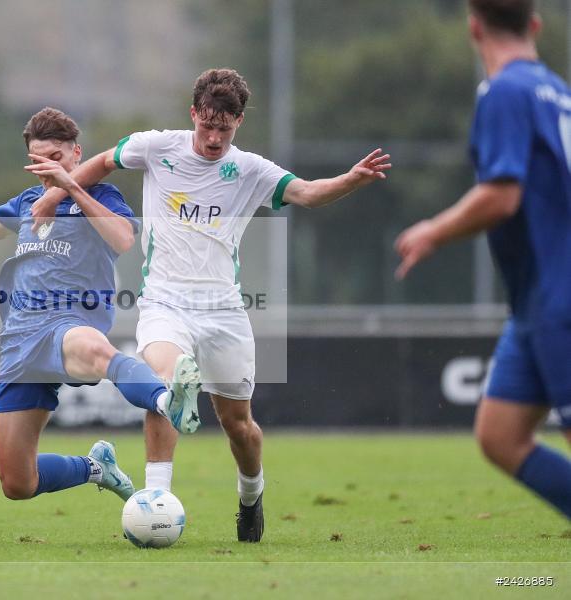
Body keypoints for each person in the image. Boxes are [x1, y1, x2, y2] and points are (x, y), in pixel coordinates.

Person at [29, 70, 391, 541]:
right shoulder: (156, 146)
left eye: (226, 128)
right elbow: (100, 162)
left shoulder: (250, 169)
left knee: (239, 426)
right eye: (208, 126)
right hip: (164, 300)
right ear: (194, 114)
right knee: (164, 383)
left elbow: (307, 193)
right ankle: (158, 499)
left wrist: (349, 179)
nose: (215, 138)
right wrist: (55, 196)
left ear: (239, 122)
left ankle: (250, 496)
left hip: (223, 311)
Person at [0, 107, 200, 504]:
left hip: (67, 319)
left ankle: (168, 401)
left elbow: (124, 239)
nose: (45, 167)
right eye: (37, 159)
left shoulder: (100, 195)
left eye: (55, 158)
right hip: (19, 339)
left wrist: (70, 188)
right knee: (17, 483)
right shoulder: (28, 199)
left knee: (95, 351)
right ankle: (96, 468)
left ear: (77, 154)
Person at [395, 0, 571, 520]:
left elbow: (501, 195)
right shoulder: (558, 93)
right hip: (535, 304)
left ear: (474, 27)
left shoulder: (503, 92)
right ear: (534, 25)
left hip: (559, 297)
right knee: (501, 435)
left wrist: (434, 230)